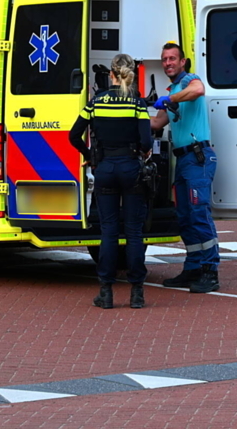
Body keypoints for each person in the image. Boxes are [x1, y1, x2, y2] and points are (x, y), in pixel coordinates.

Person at [69, 53, 152, 309]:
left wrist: (89, 156)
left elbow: (73, 135)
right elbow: (146, 141)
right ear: (131, 75)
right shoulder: (137, 104)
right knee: (134, 231)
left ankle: (105, 292)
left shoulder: (96, 102)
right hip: (130, 168)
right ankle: (137, 293)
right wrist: (140, 151)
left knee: (108, 231)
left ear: (111, 74)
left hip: (105, 167)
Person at [150, 42, 220, 293]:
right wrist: (131, 111)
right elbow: (156, 124)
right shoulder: (172, 89)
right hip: (183, 161)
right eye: (164, 59)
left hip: (197, 158)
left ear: (182, 62)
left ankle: (210, 271)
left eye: (172, 58)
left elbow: (198, 90)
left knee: (199, 214)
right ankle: (193, 268)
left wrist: (169, 99)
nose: (168, 63)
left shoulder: (189, 80)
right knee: (185, 216)